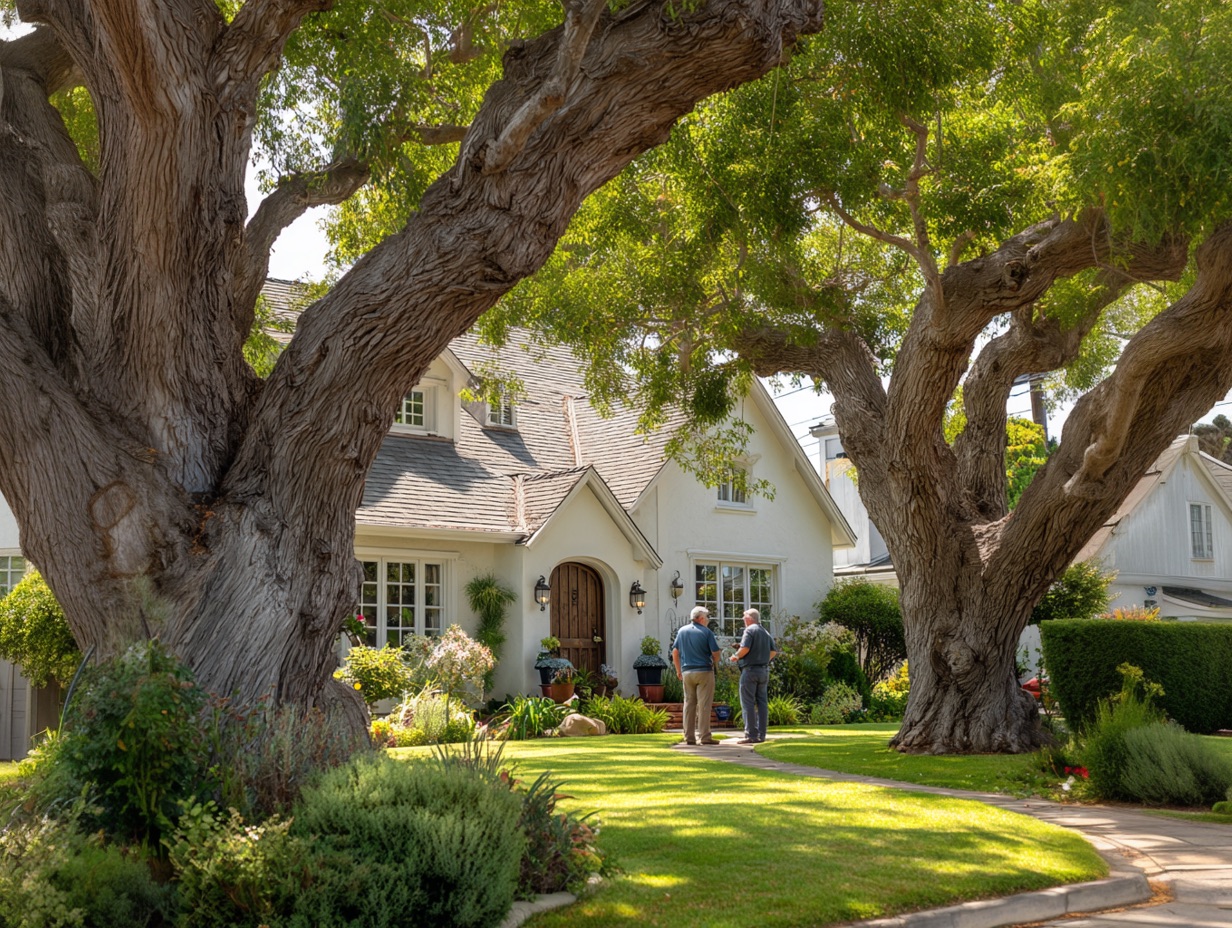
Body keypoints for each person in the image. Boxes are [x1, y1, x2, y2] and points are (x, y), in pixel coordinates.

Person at [671, 605, 721, 745]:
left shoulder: (682, 631)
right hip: (704, 671)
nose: (707, 621)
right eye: (707, 618)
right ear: (701, 618)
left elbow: (675, 652)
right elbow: (716, 653)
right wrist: (715, 662)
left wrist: (678, 670)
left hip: (687, 672)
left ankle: (689, 737)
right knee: (704, 705)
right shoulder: (706, 632)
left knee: (689, 704)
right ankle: (705, 737)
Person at [729, 608, 777, 744]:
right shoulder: (765, 632)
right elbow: (773, 651)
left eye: (744, 618)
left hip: (750, 671)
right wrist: (763, 659)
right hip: (764, 671)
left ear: (750, 618)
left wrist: (735, 656)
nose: (743, 620)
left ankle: (751, 735)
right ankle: (762, 734)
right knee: (762, 703)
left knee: (748, 703)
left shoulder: (749, 630)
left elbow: (745, 648)